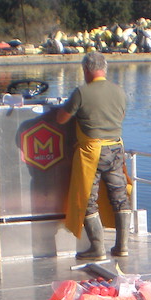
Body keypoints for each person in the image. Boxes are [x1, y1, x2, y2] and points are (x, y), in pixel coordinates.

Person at [56, 52, 131, 261]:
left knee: (88, 199)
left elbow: (61, 119)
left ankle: (97, 249)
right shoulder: (120, 91)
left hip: (92, 152)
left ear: (86, 70)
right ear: (104, 69)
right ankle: (122, 247)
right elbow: (121, 116)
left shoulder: (81, 92)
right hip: (116, 149)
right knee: (120, 197)